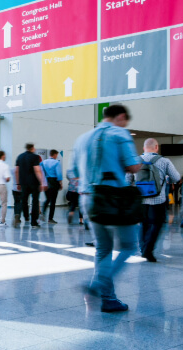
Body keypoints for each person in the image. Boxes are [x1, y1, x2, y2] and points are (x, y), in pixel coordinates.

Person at [67, 104, 142, 313]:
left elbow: (72, 172)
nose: (125, 124)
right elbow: (133, 166)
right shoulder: (120, 134)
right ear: (120, 116)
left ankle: (108, 299)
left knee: (103, 249)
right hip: (113, 198)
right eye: (125, 120)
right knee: (128, 246)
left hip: (88, 198)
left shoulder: (82, 138)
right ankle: (97, 287)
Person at [136, 138, 182, 262]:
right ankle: (148, 251)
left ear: (143, 148)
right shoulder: (164, 161)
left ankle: (143, 249)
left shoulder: (135, 160)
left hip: (140, 200)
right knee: (156, 225)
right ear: (157, 147)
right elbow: (177, 177)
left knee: (143, 224)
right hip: (158, 200)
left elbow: (127, 180)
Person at [14, 143, 48, 228]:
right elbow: (37, 170)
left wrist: (18, 183)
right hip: (34, 183)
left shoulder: (20, 157)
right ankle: (34, 223)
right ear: (32, 148)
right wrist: (42, 182)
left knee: (24, 201)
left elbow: (16, 171)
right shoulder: (35, 157)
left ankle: (24, 217)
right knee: (35, 202)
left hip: (23, 182)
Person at [40, 150, 64, 223]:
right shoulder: (57, 163)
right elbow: (59, 174)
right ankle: (50, 218)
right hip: (54, 182)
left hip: (46, 181)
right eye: (56, 155)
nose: (57, 156)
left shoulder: (43, 162)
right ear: (54, 154)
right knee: (53, 201)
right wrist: (60, 183)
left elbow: (41, 172)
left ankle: (43, 212)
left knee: (47, 199)